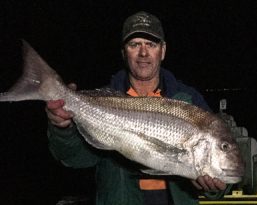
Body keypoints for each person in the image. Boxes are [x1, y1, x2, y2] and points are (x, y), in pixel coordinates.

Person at [46, 11, 226, 205]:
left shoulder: (189, 99)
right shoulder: (105, 99)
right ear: (124, 52)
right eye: (134, 44)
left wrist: (214, 187)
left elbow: (222, 172)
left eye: (151, 44)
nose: (143, 53)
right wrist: (62, 129)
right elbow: (75, 158)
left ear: (163, 50)